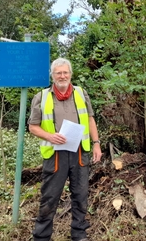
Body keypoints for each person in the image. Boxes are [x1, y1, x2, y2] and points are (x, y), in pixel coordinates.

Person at [28, 58, 102, 241]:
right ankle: (41, 237)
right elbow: (32, 127)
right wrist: (49, 136)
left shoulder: (81, 93)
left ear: (71, 74)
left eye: (65, 72)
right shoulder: (42, 97)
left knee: (80, 195)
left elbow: (90, 119)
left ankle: (79, 234)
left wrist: (96, 143)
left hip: (79, 152)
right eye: (58, 73)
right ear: (52, 76)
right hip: (55, 154)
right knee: (50, 197)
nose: (62, 76)